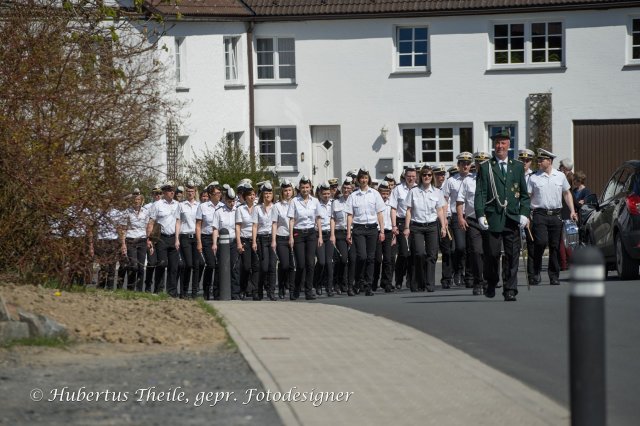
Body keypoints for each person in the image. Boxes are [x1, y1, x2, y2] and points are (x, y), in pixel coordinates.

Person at [474, 129, 531, 301]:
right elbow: (480, 193)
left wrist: (524, 213)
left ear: (509, 144)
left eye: (503, 142)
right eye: (497, 143)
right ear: (494, 145)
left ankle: (510, 289)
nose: (500, 146)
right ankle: (491, 281)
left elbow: (524, 194)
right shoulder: (486, 167)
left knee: (512, 255)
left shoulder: (518, 166)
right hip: (493, 218)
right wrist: (480, 214)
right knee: (492, 254)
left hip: (512, 217)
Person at [528, 149, 578, 285]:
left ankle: (554, 275)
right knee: (540, 242)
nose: (538, 162)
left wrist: (572, 211)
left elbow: (567, 194)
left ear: (549, 161)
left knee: (555, 246)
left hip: (556, 215)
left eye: (541, 160)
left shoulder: (560, 176)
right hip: (539, 214)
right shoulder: (533, 177)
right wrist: (525, 215)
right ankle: (536, 272)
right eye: (538, 160)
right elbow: (527, 197)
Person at [403, 165, 447, 292]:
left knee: (432, 255)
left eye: (428, 175)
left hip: (432, 226)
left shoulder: (437, 192)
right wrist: (406, 227)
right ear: (420, 177)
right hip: (417, 226)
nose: (426, 177)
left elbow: (440, 211)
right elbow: (409, 211)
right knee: (419, 254)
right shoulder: (414, 192)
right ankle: (419, 282)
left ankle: (430, 284)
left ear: (431, 176)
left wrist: (443, 227)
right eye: (424, 175)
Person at [346, 167, 386, 296]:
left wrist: (382, 231)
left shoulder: (375, 194)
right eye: (361, 178)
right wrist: (348, 232)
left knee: (371, 258)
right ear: (358, 180)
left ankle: (368, 285)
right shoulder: (353, 196)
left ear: (368, 179)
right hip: (358, 228)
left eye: (365, 178)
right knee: (361, 256)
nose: (363, 180)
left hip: (372, 228)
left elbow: (379, 213)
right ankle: (358, 282)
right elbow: (350, 215)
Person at [457, 153, 486, 295]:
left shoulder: (494, 180)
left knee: (491, 252)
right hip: (473, 221)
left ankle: (489, 279)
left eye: (484, 162)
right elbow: (460, 201)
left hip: (491, 221)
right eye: (479, 163)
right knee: (476, 251)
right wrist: (461, 218)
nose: (481, 165)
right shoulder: (468, 181)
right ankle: (478, 281)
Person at [444, 153, 474, 288]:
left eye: (468, 163)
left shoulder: (475, 179)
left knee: (471, 248)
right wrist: (444, 217)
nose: (465, 166)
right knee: (460, 247)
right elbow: (444, 199)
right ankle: (457, 270)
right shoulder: (451, 180)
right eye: (463, 163)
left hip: (472, 216)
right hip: (457, 216)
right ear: (459, 165)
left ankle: (469, 276)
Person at [288, 176, 321, 300]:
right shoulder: (294, 201)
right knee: (301, 264)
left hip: (311, 233)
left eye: (307, 187)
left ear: (310, 188)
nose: (305, 189)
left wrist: (321, 236)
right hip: (298, 233)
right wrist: (291, 236)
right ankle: (296, 288)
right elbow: (291, 220)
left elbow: (318, 218)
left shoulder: (315, 201)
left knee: (310, 263)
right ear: (299, 188)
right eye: (302, 187)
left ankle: (308, 291)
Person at [146, 182, 181, 297]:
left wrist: (177, 239)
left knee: (174, 266)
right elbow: (151, 222)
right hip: (161, 238)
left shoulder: (177, 204)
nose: (172, 192)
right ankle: (158, 289)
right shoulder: (157, 204)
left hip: (173, 238)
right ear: (165, 192)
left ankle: (172, 292)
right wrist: (149, 239)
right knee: (162, 264)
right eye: (170, 190)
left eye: (173, 190)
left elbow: (177, 222)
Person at [390, 165, 418, 290]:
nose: (411, 178)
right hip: (401, 222)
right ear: (404, 176)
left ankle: (411, 280)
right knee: (403, 253)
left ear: (416, 177)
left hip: (415, 222)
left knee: (414, 253)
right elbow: (393, 208)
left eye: (413, 176)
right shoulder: (398, 189)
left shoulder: (419, 189)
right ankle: (399, 279)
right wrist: (394, 225)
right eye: (408, 176)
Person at [212, 187, 241, 299]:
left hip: (233, 242)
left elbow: (238, 228)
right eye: (229, 201)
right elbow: (215, 229)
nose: (231, 204)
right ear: (225, 199)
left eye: (233, 201)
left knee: (234, 267)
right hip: (222, 244)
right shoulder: (219, 212)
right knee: (220, 267)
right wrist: (214, 244)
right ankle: (217, 292)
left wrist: (239, 243)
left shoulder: (237, 211)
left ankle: (235, 293)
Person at [119, 190, 149, 292]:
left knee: (141, 267)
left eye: (138, 199)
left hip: (142, 240)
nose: (136, 201)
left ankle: (139, 290)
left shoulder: (146, 212)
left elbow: (147, 227)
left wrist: (149, 240)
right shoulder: (127, 212)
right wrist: (123, 244)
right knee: (133, 265)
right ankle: (130, 288)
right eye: (135, 199)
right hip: (131, 240)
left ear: (141, 200)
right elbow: (123, 228)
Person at [252, 182, 277, 301]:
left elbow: (274, 224)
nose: (268, 195)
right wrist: (254, 241)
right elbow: (255, 226)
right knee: (264, 267)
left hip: (271, 238)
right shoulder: (257, 208)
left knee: (272, 266)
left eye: (270, 193)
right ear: (262, 195)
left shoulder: (275, 207)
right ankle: (259, 290)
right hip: (261, 238)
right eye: (266, 193)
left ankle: (271, 292)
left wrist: (273, 240)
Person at [176, 182, 200, 298]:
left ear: (195, 192)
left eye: (192, 191)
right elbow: (178, 222)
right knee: (188, 265)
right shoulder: (181, 205)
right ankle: (184, 291)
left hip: (196, 236)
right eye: (188, 191)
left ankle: (194, 292)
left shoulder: (199, 205)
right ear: (186, 193)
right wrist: (177, 238)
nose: (190, 193)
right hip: (185, 236)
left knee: (196, 265)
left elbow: (200, 223)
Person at [272, 179, 295, 299]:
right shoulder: (277, 206)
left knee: (292, 265)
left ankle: (291, 290)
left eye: (289, 190)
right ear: (282, 192)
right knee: (284, 264)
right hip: (281, 237)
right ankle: (281, 285)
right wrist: (274, 240)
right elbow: (274, 223)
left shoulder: (296, 203)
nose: (287, 193)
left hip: (295, 237)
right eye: (285, 190)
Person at [332, 177, 355, 295]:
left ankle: (350, 284)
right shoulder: (336, 202)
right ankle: (338, 282)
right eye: (344, 188)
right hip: (340, 232)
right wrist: (332, 235)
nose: (346, 190)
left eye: (348, 188)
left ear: (352, 189)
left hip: (353, 231)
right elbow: (333, 219)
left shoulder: (355, 200)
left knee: (352, 259)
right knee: (343, 259)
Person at [236, 185, 260, 299]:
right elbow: (238, 227)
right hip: (245, 239)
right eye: (250, 195)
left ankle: (253, 290)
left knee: (256, 266)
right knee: (246, 267)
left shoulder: (258, 208)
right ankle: (243, 287)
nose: (252, 197)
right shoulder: (240, 209)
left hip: (256, 240)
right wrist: (239, 243)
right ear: (245, 197)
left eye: (253, 195)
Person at [196, 184, 218, 300]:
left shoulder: (222, 206)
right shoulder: (203, 207)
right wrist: (199, 242)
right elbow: (198, 226)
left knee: (219, 265)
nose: (219, 196)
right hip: (206, 238)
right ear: (210, 195)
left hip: (220, 239)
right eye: (216, 193)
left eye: (220, 193)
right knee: (210, 264)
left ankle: (217, 290)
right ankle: (206, 289)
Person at [314, 182, 335, 296]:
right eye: (324, 194)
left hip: (329, 234)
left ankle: (329, 287)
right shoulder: (317, 204)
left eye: (328, 193)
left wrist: (332, 235)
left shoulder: (333, 204)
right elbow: (317, 220)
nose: (326, 196)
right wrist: (321, 236)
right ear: (320, 194)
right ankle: (317, 283)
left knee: (329, 262)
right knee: (321, 262)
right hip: (319, 235)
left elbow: (333, 219)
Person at [518, 149, 536, 284]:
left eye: (527, 160)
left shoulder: (534, 176)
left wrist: (527, 214)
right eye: (522, 160)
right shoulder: (512, 173)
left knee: (531, 244)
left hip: (529, 214)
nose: (524, 163)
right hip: (513, 213)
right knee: (512, 246)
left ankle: (532, 274)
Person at [375, 180, 396, 292]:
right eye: (383, 193)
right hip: (377, 232)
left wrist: (394, 233)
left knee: (388, 259)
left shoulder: (391, 202)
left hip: (388, 232)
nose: (385, 195)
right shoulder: (375, 202)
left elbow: (393, 218)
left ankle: (386, 282)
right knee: (377, 259)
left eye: (387, 193)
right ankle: (374, 281)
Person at [143, 186, 162, 292]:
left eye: (159, 193)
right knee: (151, 262)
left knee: (161, 262)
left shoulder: (164, 205)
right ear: (152, 195)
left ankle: (158, 286)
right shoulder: (147, 207)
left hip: (161, 236)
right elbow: (146, 222)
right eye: (155, 193)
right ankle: (148, 284)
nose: (158, 195)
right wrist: (148, 238)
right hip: (151, 235)